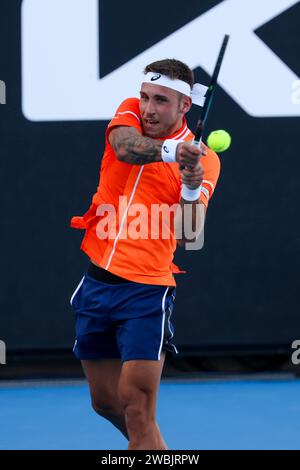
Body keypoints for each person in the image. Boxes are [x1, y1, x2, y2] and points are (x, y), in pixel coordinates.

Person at [69, 59, 220, 450]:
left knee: (136, 407)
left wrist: (190, 186)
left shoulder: (207, 160)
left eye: (161, 101)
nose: (149, 108)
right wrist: (173, 152)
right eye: (145, 97)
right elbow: (125, 149)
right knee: (105, 402)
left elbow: (188, 234)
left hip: (147, 293)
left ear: (185, 106)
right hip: (97, 282)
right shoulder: (130, 115)